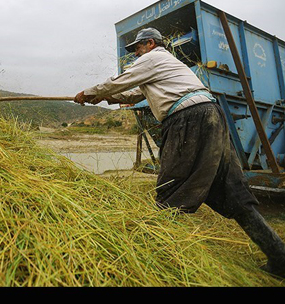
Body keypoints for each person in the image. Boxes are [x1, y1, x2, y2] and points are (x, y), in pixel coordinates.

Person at [74, 27, 285, 278]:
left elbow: (119, 81)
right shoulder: (167, 67)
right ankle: (279, 257)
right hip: (211, 114)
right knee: (232, 192)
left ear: (150, 44)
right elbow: (132, 92)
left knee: (170, 188)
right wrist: (104, 99)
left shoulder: (152, 59)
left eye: (137, 48)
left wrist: (89, 92)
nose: (135, 54)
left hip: (189, 119)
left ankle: (159, 257)